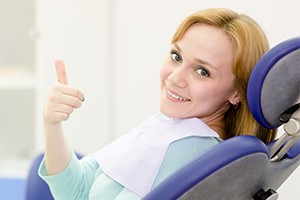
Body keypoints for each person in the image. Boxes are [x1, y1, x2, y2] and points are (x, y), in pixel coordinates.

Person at [39, 7, 277, 199]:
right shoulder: (172, 126)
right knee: (37, 170)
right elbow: (76, 190)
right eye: (177, 56)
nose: (174, 78)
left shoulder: (188, 151)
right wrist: (52, 123)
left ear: (236, 93)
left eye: (202, 71)